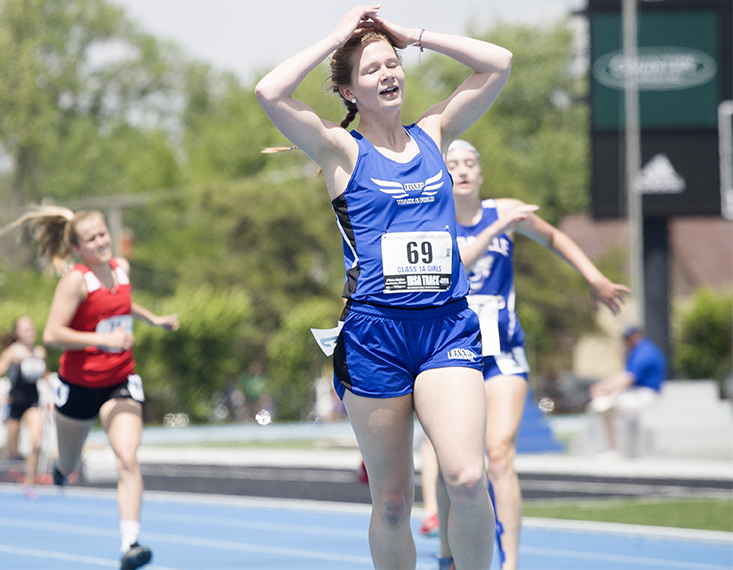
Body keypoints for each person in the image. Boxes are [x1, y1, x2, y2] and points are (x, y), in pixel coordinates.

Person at [255, 7, 513, 569]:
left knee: (468, 478)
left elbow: (499, 64)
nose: (388, 73)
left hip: (446, 328)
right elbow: (270, 92)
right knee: (393, 502)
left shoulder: (434, 132)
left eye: (393, 64)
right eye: (371, 70)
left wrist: (410, 34)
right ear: (349, 91)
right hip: (374, 336)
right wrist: (338, 36)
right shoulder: (340, 151)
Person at [426, 139, 630, 570]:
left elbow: (554, 236)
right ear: (441, 175)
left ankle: (511, 562)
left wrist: (594, 277)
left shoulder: (506, 209)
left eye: (470, 164)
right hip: (451, 352)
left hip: (503, 353)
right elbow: (458, 262)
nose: (462, 171)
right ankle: (448, 556)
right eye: (453, 165)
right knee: (455, 464)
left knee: (498, 455)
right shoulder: (432, 218)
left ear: (481, 175)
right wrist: (498, 229)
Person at [8, 207, 178, 570]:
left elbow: (122, 303)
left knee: (127, 457)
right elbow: (52, 333)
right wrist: (101, 341)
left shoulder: (121, 269)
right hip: (79, 385)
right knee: (69, 465)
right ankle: (60, 466)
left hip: (120, 381)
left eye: (103, 234)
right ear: (77, 248)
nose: (101, 241)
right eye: (92, 239)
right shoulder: (75, 281)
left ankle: (130, 543)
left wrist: (155, 319)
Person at [588, 326, 667, 454]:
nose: (626, 341)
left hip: (647, 394)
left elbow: (628, 379)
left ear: (637, 336)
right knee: (606, 406)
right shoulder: (636, 351)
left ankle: (613, 450)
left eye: (628, 338)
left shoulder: (645, 351)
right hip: (637, 393)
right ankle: (614, 448)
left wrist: (605, 389)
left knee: (608, 407)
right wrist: (603, 385)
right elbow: (624, 374)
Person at [0, 316, 49, 499]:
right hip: (15, 404)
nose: (29, 331)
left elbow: (46, 376)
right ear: (18, 333)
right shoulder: (13, 352)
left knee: (35, 441)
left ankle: (30, 483)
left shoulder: (40, 352)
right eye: (24, 328)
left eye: (31, 327)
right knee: (13, 452)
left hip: (33, 402)